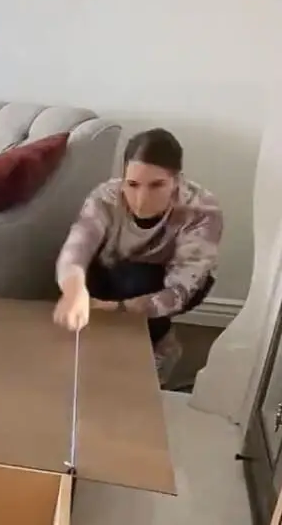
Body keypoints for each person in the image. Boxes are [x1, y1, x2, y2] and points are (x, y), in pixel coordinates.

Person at [53, 128, 223, 380]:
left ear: (177, 180)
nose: (141, 200)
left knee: (137, 279)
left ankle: (161, 346)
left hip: (165, 280)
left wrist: (116, 308)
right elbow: (76, 249)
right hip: (112, 267)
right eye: (132, 185)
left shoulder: (201, 210)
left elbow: (181, 289)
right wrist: (75, 289)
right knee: (73, 279)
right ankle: (103, 351)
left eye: (157, 185)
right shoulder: (106, 197)